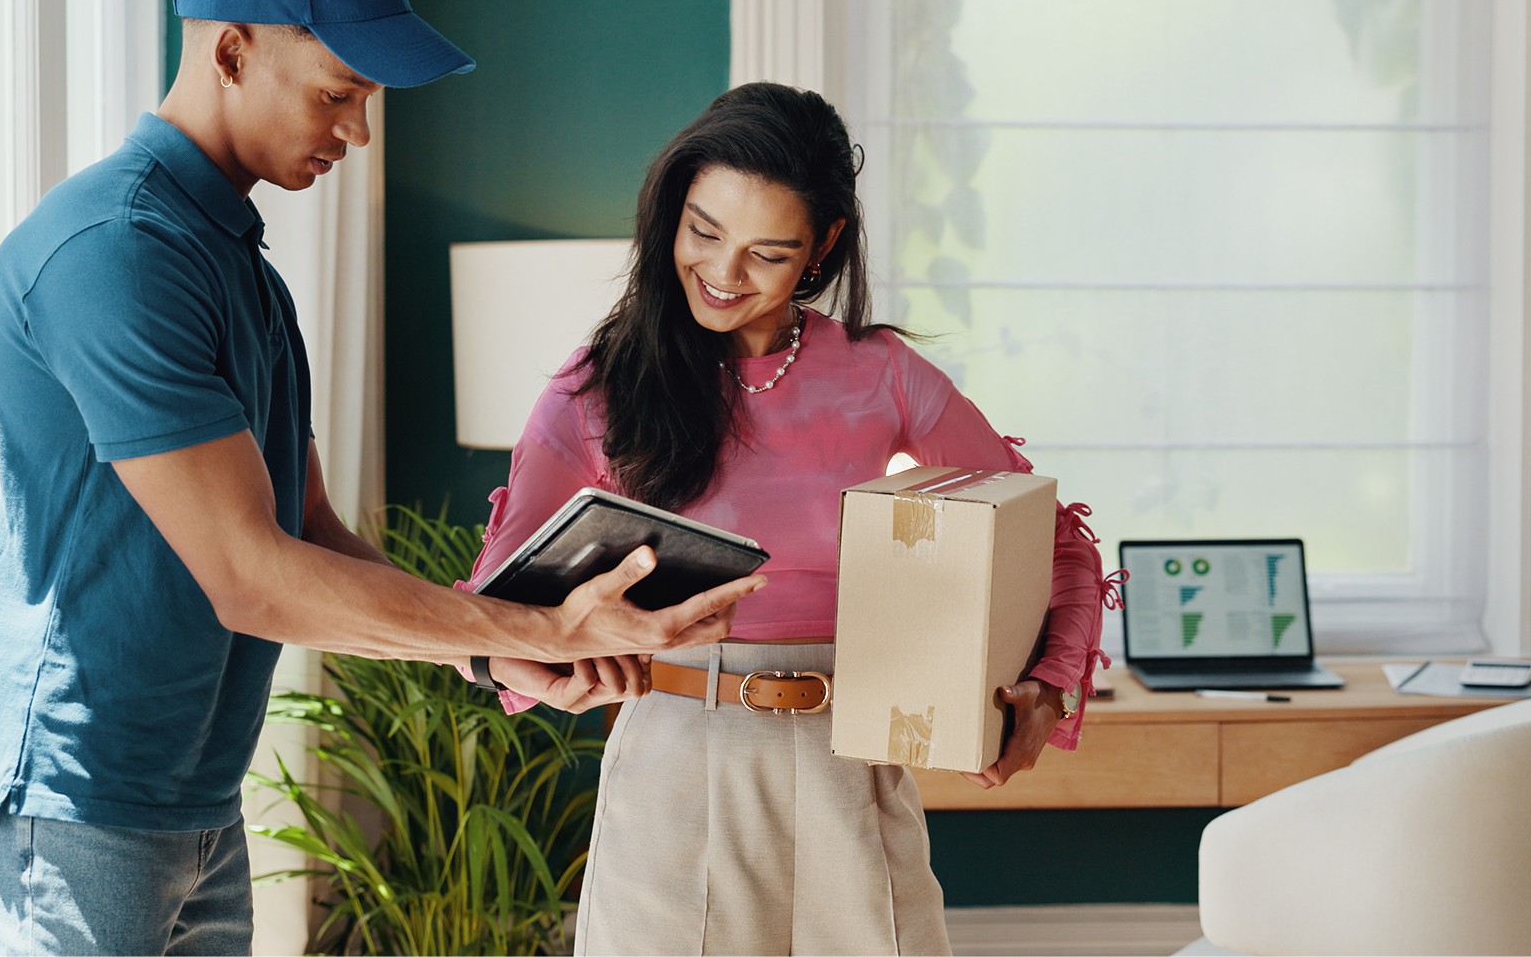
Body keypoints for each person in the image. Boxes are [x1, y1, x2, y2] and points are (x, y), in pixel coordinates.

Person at [0, 0, 757, 953]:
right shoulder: (116, 252)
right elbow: (251, 574)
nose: (358, 130)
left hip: (191, 801)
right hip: (66, 806)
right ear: (232, 50)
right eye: (338, 90)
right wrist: (540, 629)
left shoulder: (242, 276)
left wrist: (489, 655)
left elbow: (305, 524)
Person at [461, 82, 1113, 956]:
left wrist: (1050, 680)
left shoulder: (879, 372)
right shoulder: (598, 385)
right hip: (675, 771)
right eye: (703, 232)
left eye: (767, 253)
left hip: (854, 768)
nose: (724, 275)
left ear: (822, 247)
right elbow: (496, 601)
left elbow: (1053, 535)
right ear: (671, 211)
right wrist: (537, 662)